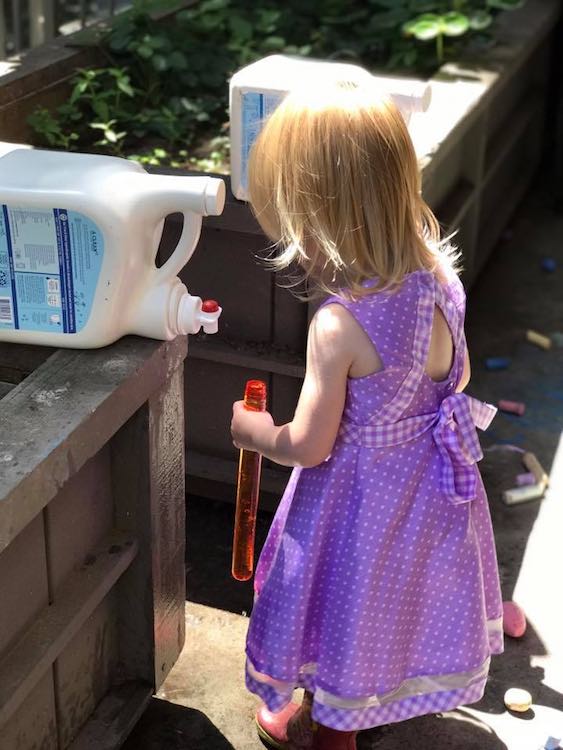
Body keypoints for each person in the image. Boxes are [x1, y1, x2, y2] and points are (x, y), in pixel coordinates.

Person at [230, 74, 503, 750]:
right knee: (397, 603)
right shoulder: (440, 275)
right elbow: (457, 375)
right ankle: (384, 696)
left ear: (314, 215)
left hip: (358, 506)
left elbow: (310, 444)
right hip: (431, 493)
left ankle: (333, 732)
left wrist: (254, 432)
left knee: (343, 608)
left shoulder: (340, 324)